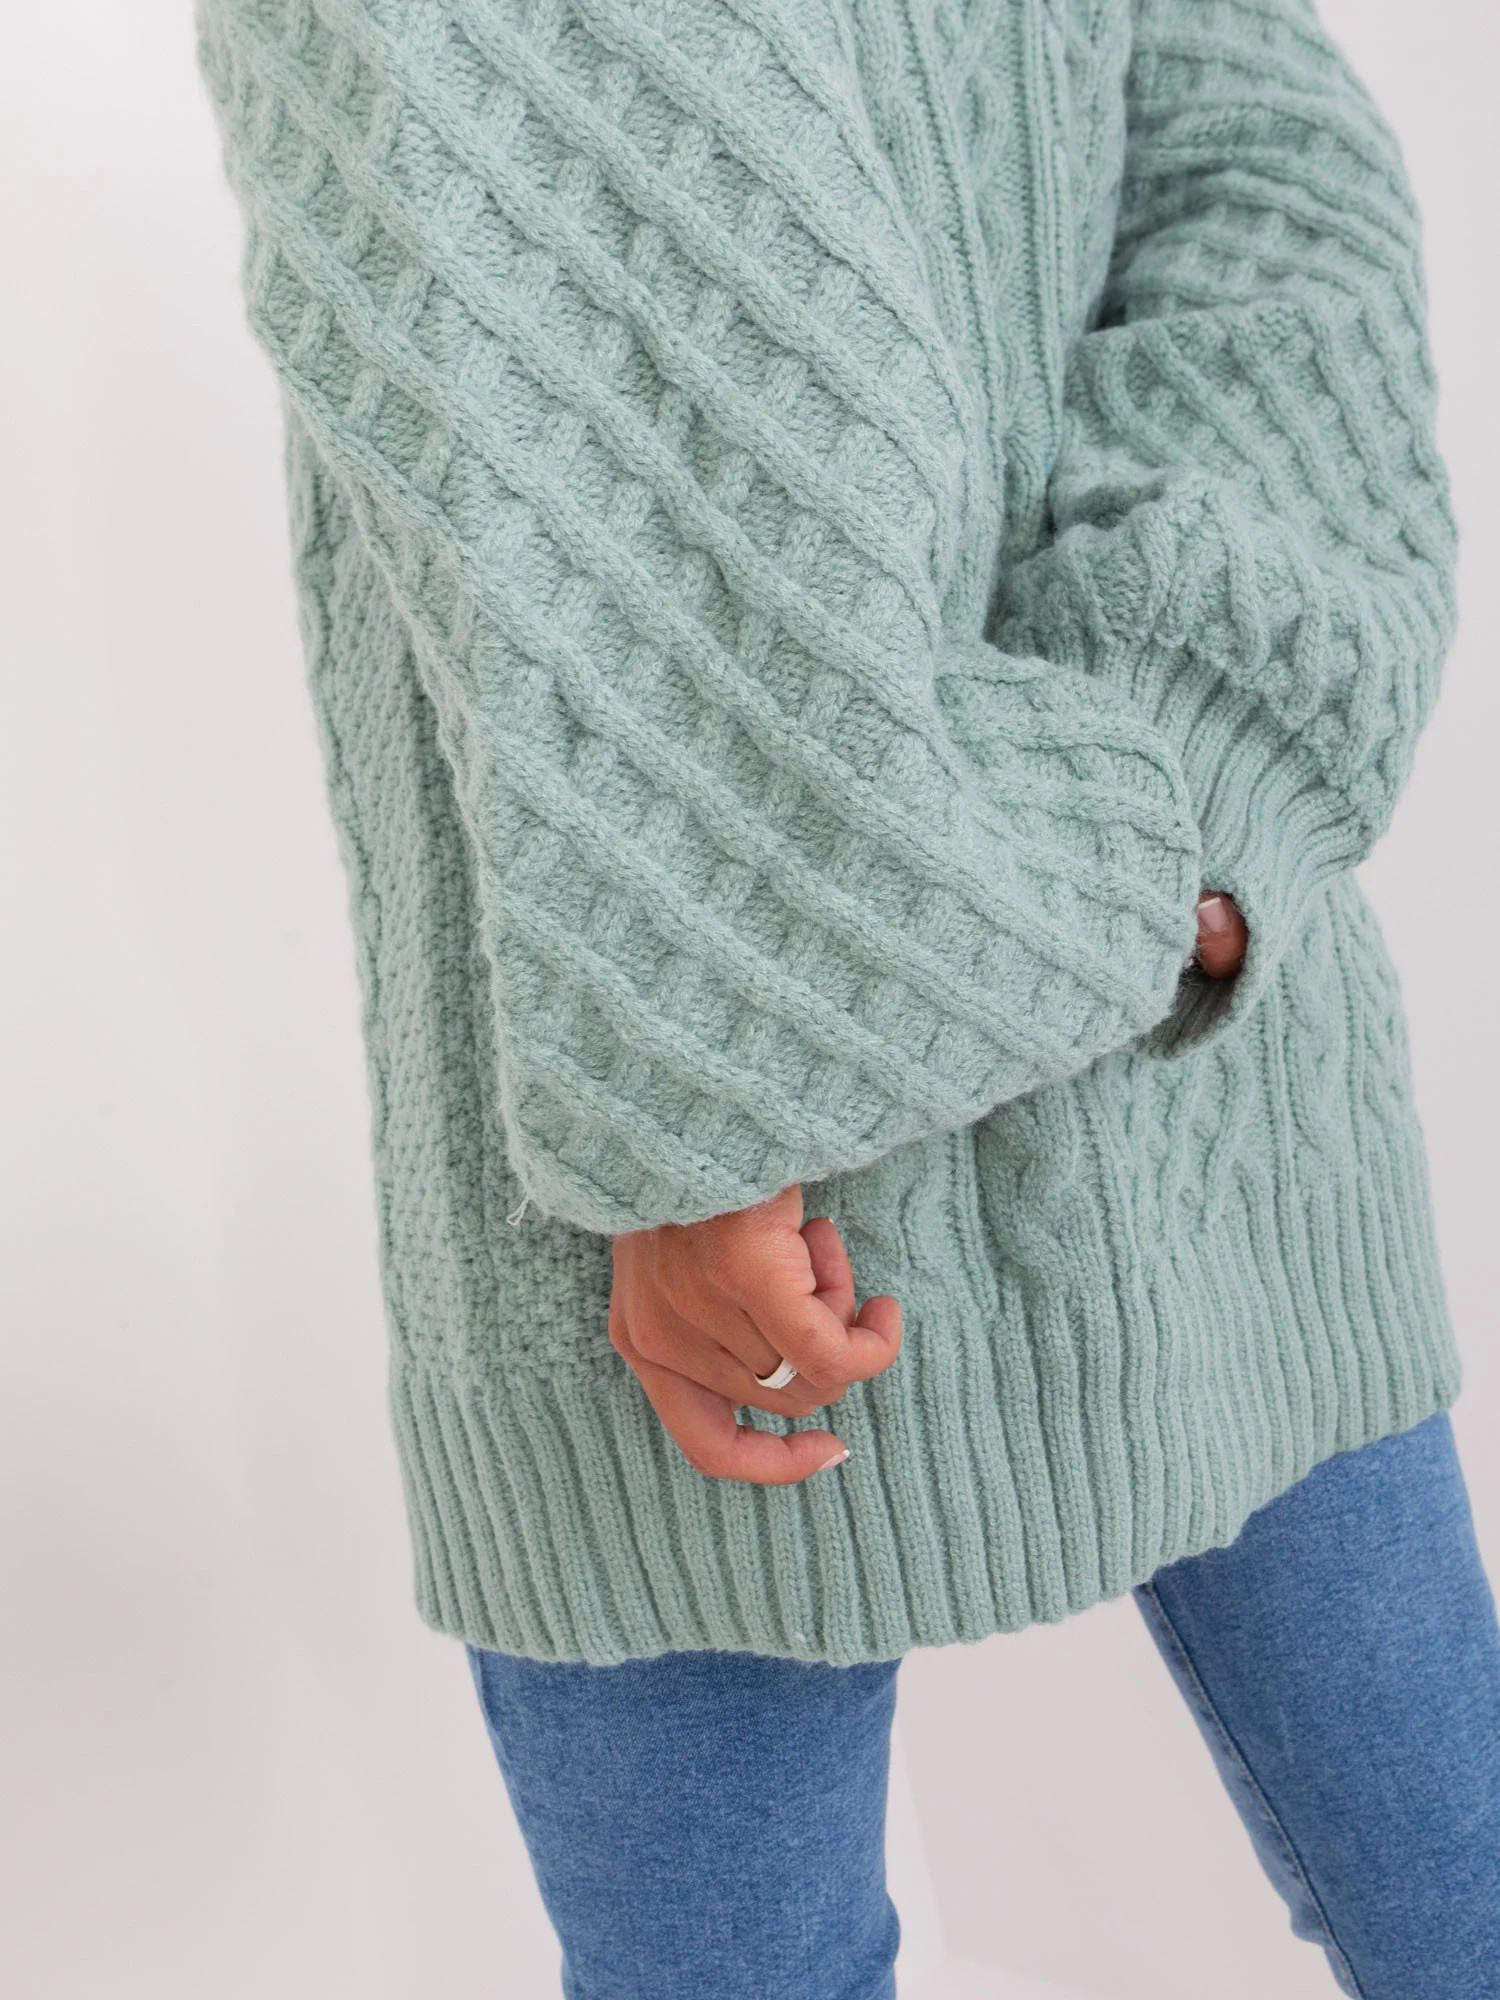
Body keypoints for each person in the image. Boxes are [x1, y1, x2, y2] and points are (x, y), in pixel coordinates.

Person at [197, 0, 1499, 1991]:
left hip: (1155, 1068)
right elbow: (550, 344)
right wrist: (726, 1095)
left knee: (1464, 1897)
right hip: (690, 1153)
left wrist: (1186, 789)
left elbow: (1267, 180)